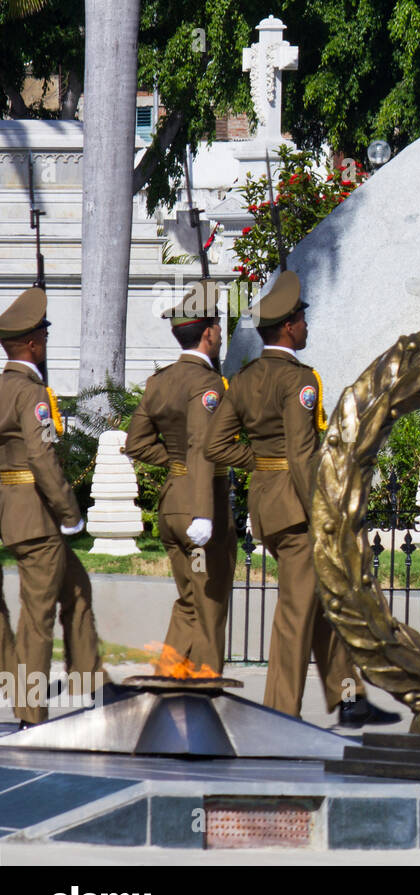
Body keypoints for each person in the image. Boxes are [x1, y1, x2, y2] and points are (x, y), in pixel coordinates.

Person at [204, 270, 397, 728]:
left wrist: (259, 462)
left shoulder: (245, 378)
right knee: (295, 614)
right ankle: (278, 716)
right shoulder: (300, 381)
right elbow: (301, 452)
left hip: (268, 505)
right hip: (297, 509)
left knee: (323, 600)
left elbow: (216, 444)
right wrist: (326, 509)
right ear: (289, 326)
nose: (307, 327)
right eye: (303, 320)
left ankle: (349, 699)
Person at [0, 287, 105, 725]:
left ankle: (89, 685)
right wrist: (70, 512)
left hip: (9, 510)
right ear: (33, 344)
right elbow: (43, 459)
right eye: (44, 336)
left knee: (77, 586)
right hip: (36, 515)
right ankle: (31, 715)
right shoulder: (31, 393)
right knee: (38, 617)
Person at [123, 279, 235, 674]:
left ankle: (168, 684)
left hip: (173, 505)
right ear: (208, 333)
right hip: (199, 511)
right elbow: (205, 448)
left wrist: (175, 464)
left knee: (189, 602)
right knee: (208, 604)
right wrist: (204, 513)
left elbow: (136, 443)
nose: (221, 334)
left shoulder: (160, 381)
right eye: (219, 327)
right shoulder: (206, 386)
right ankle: (204, 695)